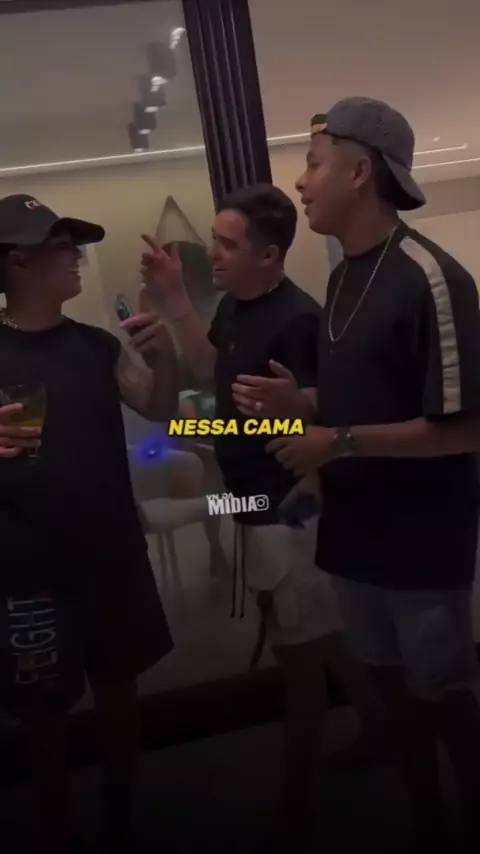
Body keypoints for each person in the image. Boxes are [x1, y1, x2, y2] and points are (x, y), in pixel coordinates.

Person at [235, 98, 480, 852]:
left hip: (420, 540)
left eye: (313, 163)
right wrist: (303, 404)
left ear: (360, 171)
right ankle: (427, 823)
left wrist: (332, 442)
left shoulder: (430, 278)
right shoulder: (343, 277)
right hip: (356, 534)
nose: (300, 182)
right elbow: (365, 394)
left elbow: (463, 428)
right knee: (392, 693)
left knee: (445, 697)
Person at [140, 183, 385, 845]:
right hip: (253, 502)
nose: (213, 253)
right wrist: (174, 300)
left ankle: (297, 799)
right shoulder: (235, 307)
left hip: (289, 510)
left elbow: (329, 413)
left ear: (269, 255)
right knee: (323, 638)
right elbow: (213, 373)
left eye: (227, 244)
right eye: (214, 240)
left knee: (298, 657)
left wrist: (300, 457)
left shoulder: (299, 320)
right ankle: (380, 730)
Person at [0, 194, 177, 852]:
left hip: (112, 556)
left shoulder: (96, 347)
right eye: (59, 245)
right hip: (28, 568)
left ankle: (121, 820)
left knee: (119, 689)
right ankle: (59, 834)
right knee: (42, 714)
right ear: (17, 260)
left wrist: (164, 355)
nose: (76, 255)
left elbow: (157, 408)